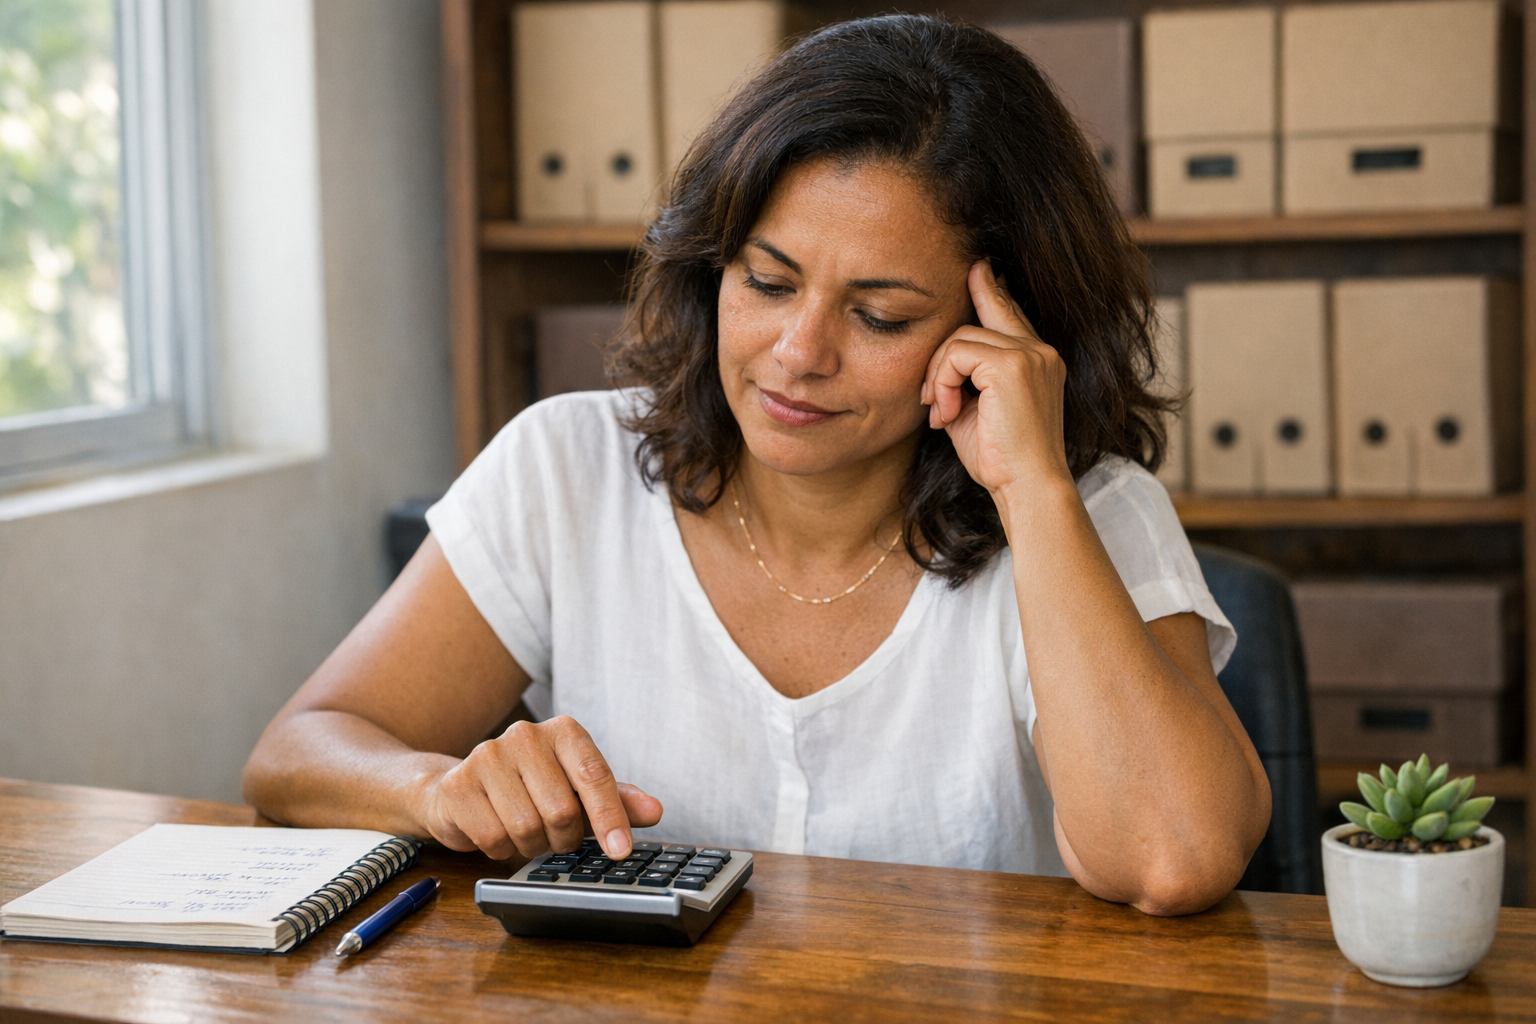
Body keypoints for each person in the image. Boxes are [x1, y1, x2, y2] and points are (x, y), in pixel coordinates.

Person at [244, 14, 1270, 916]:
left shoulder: (1091, 510)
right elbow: (295, 755)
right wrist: (436, 788)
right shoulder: (568, 466)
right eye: (769, 282)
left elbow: (1171, 860)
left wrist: (1034, 490)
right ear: (712, 264)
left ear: (1002, 327)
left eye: (879, 315)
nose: (799, 353)